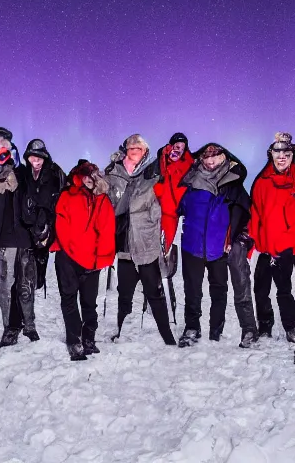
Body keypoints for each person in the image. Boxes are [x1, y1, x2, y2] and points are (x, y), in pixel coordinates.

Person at [249, 138, 295, 369]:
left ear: (293, 156)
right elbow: (256, 212)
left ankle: (291, 326)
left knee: (284, 290)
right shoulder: (262, 181)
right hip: (267, 245)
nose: (281, 157)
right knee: (260, 288)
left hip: (289, 245)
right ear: (270, 155)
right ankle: (265, 325)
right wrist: (254, 243)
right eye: (277, 153)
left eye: (286, 154)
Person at [176, 143, 252, 347]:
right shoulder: (190, 182)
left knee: (219, 290)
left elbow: (244, 213)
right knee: (192, 290)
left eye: (215, 157)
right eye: (206, 158)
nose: (210, 161)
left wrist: (237, 239)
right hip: (192, 245)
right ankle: (192, 327)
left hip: (219, 247)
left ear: (224, 158)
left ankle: (216, 329)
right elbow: (174, 206)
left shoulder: (233, 184)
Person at [104, 134, 177, 344]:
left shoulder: (154, 175)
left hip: (146, 245)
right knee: (124, 294)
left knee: (154, 293)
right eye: (130, 146)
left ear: (146, 151)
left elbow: (162, 207)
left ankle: (167, 336)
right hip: (124, 246)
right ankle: (119, 330)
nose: (134, 149)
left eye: (139, 146)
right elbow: (105, 202)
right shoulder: (113, 173)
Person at [52, 161, 116, 361]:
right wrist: (72, 253)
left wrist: (101, 257)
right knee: (69, 299)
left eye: (93, 176)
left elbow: (107, 230)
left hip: (92, 260)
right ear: (78, 177)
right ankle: (74, 340)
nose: (89, 179)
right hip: (68, 257)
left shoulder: (102, 199)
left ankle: (89, 338)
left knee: (89, 302)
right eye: (85, 176)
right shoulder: (67, 196)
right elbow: (62, 226)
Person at [0, 128, 40, 347]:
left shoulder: (23, 172)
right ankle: (10, 327)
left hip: (24, 237)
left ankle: (29, 324)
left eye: (4, 143)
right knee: (4, 286)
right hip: (1, 239)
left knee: (25, 284)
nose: (1, 147)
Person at [17, 139, 65, 302]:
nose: (35, 162)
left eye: (39, 158)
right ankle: (26, 288)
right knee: (25, 261)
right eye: (32, 158)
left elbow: (63, 196)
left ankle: (39, 281)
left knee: (40, 258)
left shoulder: (55, 173)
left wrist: (51, 224)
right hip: (26, 224)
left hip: (47, 225)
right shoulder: (23, 174)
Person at [153, 132, 194, 321]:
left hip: (179, 210)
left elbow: (187, 177)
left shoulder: (189, 162)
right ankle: (156, 278)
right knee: (160, 245)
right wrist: (164, 156)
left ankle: (166, 275)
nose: (178, 147)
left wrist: (175, 161)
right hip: (162, 209)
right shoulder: (164, 158)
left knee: (170, 245)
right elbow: (156, 176)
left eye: (182, 145)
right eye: (176, 144)